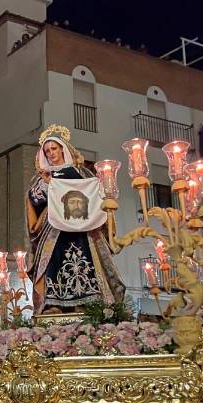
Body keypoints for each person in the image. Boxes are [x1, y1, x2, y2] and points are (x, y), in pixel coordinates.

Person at [26, 124, 125, 314]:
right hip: (53, 229)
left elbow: (96, 194)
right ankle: (55, 304)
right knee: (54, 262)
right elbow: (34, 200)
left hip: (81, 227)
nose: (51, 154)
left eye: (54, 148)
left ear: (63, 148)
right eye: (47, 151)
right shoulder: (42, 177)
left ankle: (89, 303)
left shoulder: (81, 172)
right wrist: (47, 185)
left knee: (87, 259)